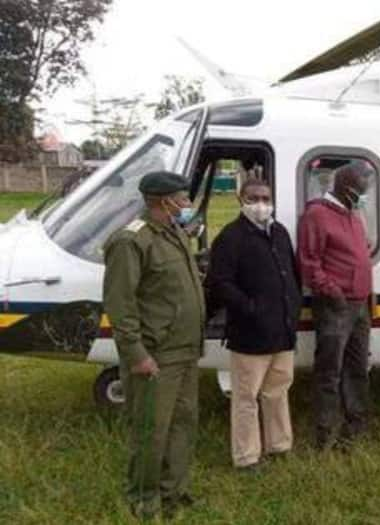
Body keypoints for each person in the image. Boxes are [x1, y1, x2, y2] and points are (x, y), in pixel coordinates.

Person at [102, 171, 205, 519]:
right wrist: (136, 355)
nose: (188, 205)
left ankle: (173, 491)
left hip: (185, 350)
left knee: (182, 424)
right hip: (156, 354)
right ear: (165, 202)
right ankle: (143, 498)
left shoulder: (174, 232)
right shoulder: (131, 241)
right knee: (151, 431)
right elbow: (120, 304)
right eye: (184, 199)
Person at [207, 179, 301, 469]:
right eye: (254, 198)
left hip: (282, 332)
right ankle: (247, 457)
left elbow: (292, 273)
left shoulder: (280, 232)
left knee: (277, 391)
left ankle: (279, 445)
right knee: (246, 398)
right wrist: (249, 307)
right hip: (250, 335)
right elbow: (219, 282)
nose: (261, 203)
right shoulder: (231, 237)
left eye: (265, 197)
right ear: (241, 199)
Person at [298, 163, 375, 451]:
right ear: (346, 189)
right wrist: (333, 293)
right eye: (362, 189)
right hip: (335, 306)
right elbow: (309, 262)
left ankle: (355, 428)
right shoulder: (317, 214)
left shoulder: (353, 215)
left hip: (360, 305)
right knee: (329, 370)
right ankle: (325, 434)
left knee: (357, 368)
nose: (364, 194)